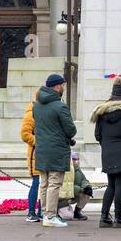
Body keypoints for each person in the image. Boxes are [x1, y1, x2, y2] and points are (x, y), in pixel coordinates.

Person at [91, 78, 121, 227]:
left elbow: (97, 135)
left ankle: (104, 217)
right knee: (120, 184)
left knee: (110, 185)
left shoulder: (102, 113)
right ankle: (118, 218)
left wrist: (106, 145)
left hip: (108, 152)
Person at [31, 73, 77, 228]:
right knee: (54, 183)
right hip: (57, 149)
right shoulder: (60, 106)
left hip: (42, 149)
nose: (63, 88)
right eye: (63, 85)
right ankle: (50, 216)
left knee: (44, 183)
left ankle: (46, 213)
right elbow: (71, 130)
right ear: (57, 87)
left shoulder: (36, 105)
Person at [19, 88, 42, 223]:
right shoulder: (31, 114)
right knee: (36, 183)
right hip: (35, 153)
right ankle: (31, 212)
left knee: (43, 184)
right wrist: (39, 142)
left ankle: (40, 211)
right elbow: (25, 134)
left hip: (42, 153)